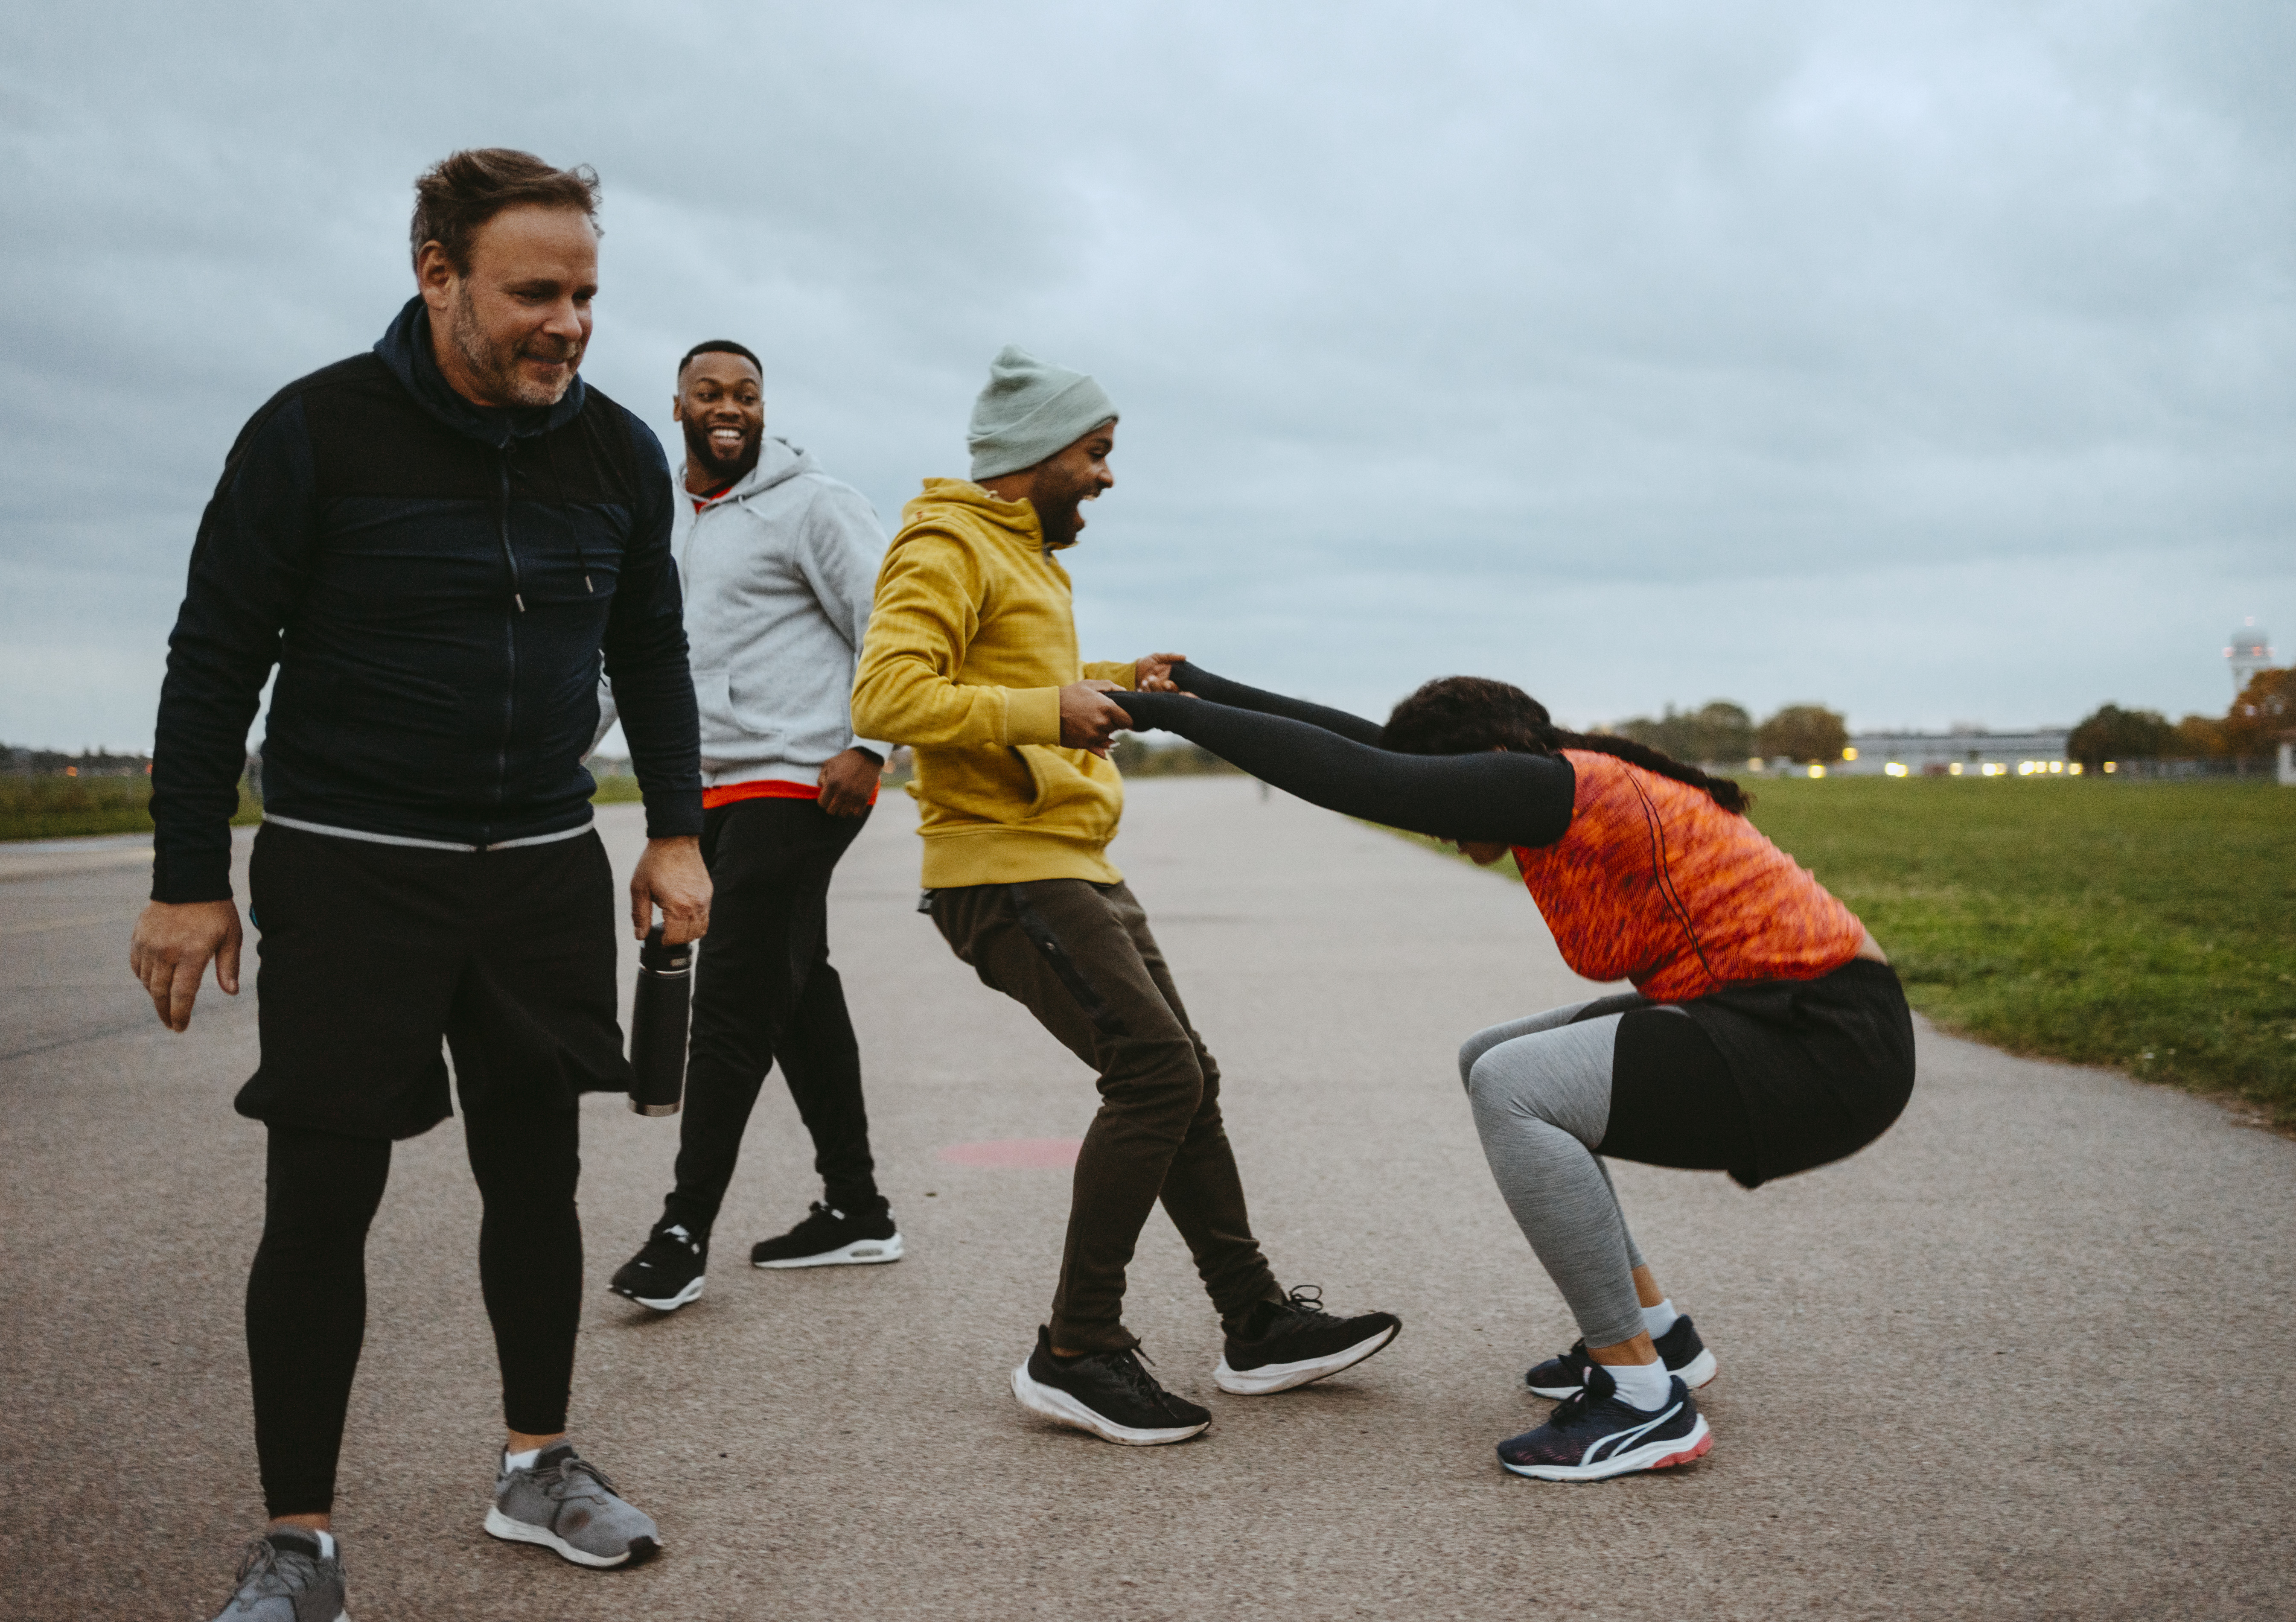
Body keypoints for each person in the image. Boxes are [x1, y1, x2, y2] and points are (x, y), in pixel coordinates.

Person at [132, 149, 711, 1620]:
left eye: (586, 294)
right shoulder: (316, 431)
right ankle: (298, 1543)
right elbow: (212, 662)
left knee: (540, 1177)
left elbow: (649, 649)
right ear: (436, 275)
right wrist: (191, 875)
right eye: (536, 292)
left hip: (533, 868)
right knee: (322, 1200)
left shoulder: (621, 452)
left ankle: (539, 1465)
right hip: (352, 870)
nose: (569, 324)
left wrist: (677, 829)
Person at [1103, 665, 1915, 1481]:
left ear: (1491, 756)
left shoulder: (1553, 786)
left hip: (1820, 1041)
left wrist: (1157, 713)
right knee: (1489, 1058)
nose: (1444, 818)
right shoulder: (1556, 781)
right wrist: (1200, 685)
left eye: (1453, 781)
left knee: (1518, 1086)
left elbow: (1365, 775)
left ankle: (1640, 1401)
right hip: (1787, 1020)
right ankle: (1658, 1337)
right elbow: (1374, 748)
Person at [849, 346, 1401, 1447]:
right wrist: (1051, 708)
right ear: (1037, 455)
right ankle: (1077, 1349)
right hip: (1003, 868)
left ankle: (1254, 1321)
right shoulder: (945, 541)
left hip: (1071, 855)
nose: (1107, 477)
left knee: (1185, 1074)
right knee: (1151, 1072)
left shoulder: (1028, 556)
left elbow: (1000, 678)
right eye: (1096, 454)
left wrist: (1107, 679)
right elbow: (890, 691)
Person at [603, 338, 901, 1314]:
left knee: (732, 992)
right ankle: (857, 1210)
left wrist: (870, 741)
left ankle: (682, 1231)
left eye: (748, 394)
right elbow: (625, 660)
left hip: (805, 778)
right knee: (796, 984)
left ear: (765, 408)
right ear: (680, 406)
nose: (730, 408)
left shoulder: (813, 504)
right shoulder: (659, 521)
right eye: (710, 394)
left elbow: (888, 620)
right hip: (705, 789)